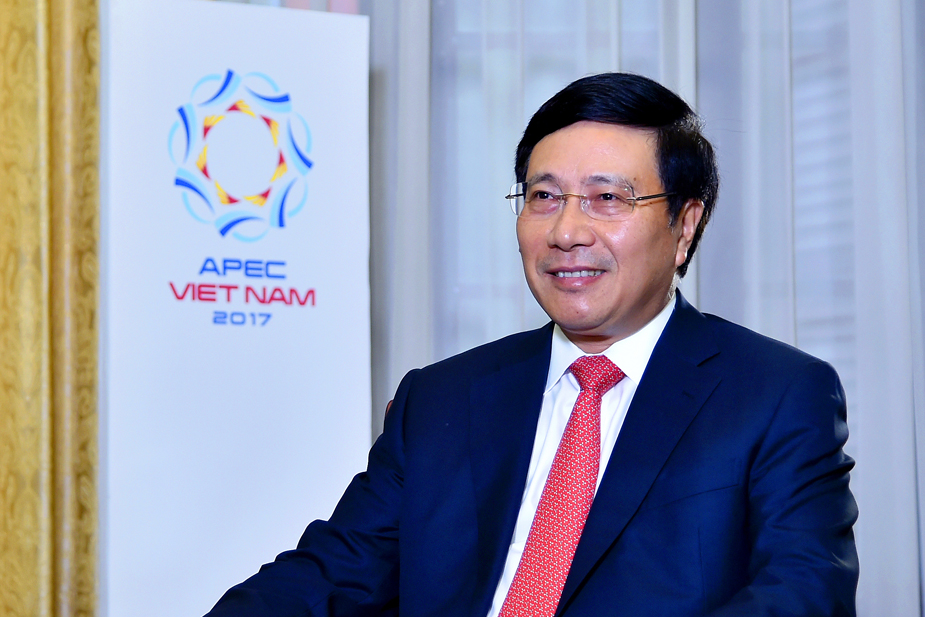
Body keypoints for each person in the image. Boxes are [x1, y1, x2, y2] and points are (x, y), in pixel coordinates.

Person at [205, 72, 858, 617]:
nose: (566, 230)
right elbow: (332, 575)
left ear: (684, 225)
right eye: (544, 196)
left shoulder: (775, 395)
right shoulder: (439, 399)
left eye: (607, 198)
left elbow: (802, 596)